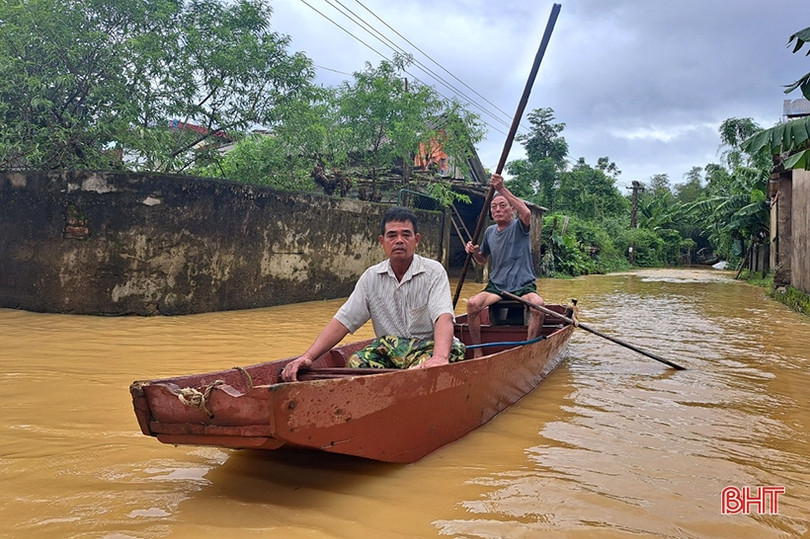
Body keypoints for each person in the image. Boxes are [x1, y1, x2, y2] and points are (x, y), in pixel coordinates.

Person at [281, 206, 466, 382]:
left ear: (416, 240)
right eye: (392, 235)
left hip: (428, 348)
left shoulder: (434, 271)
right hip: (389, 351)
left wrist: (440, 357)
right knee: (356, 363)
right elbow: (343, 320)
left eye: (406, 235)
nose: (399, 240)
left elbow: (443, 318)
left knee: (431, 364)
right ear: (382, 242)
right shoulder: (371, 277)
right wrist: (308, 357)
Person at [464, 173, 544, 357]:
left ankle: (528, 349)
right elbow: (482, 259)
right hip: (498, 286)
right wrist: (474, 251)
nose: (497, 210)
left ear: (511, 210)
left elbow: (527, 213)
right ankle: (477, 351)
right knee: (472, 304)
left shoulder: (519, 226)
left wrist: (501, 189)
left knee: (538, 306)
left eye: (502, 206)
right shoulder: (490, 231)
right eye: (494, 207)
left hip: (523, 285)